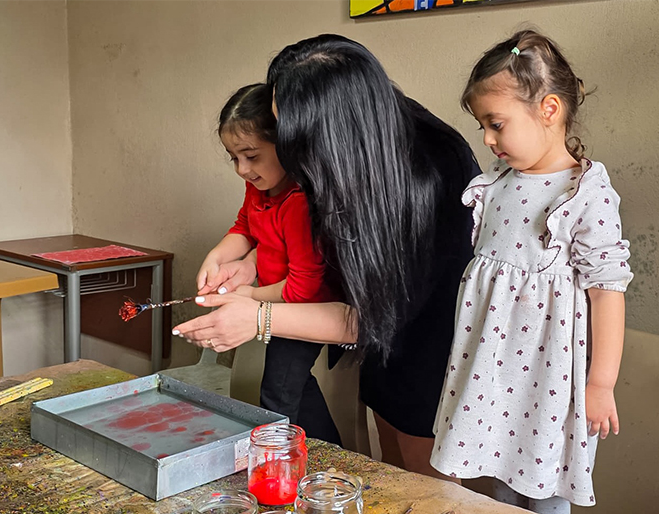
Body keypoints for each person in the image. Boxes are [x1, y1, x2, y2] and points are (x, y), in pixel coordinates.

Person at [173, 34, 481, 481]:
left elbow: (373, 319)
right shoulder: (355, 138)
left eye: (292, 136)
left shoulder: (427, 177)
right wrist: (251, 259)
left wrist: (257, 316)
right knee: (391, 466)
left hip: (429, 341)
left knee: (424, 482)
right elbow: (306, 238)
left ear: (333, 130)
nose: (288, 151)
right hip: (381, 343)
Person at [428, 29, 634, 514]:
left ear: (549, 109)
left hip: (549, 382)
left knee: (544, 492)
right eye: (482, 126)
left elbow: (607, 292)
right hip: (490, 372)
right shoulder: (494, 186)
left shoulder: (583, 192)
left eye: (496, 124)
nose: (487, 138)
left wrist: (601, 383)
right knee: (496, 482)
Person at [195, 83, 343, 445]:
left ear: (286, 145)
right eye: (234, 158)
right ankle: (331, 451)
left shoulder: (300, 203)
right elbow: (244, 228)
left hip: (306, 308)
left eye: (251, 156)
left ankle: (277, 457)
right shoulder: (259, 186)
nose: (242, 169)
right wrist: (216, 257)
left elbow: (302, 288)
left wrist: (248, 296)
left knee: (277, 393)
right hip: (277, 301)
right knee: (293, 385)